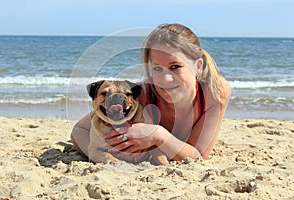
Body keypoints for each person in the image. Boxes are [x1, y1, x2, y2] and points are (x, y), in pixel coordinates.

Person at [70, 23, 231, 164]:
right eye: (157, 69)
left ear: (198, 66)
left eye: (175, 67)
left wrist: (158, 135)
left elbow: (198, 155)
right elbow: (79, 131)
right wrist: (102, 154)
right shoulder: (143, 95)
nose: (166, 79)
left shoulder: (214, 91)